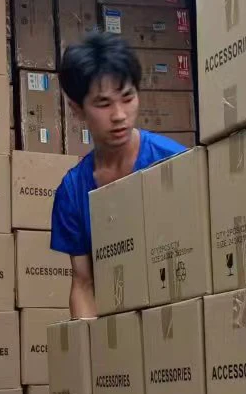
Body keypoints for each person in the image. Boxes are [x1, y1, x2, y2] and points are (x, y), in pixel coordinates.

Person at [50, 31, 187, 319]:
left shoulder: (176, 163)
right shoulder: (73, 192)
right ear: (77, 109)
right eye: (103, 104)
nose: (119, 115)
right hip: (118, 329)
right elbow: (84, 284)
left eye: (127, 98)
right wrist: (89, 344)